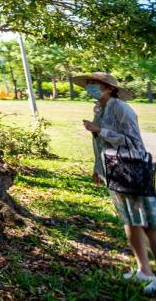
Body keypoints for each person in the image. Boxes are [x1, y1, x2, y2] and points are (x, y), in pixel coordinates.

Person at [78, 71, 156, 292]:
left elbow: (134, 142)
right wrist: (98, 168)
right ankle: (144, 271)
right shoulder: (99, 109)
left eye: (95, 84)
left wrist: (100, 130)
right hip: (113, 170)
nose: (90, 87)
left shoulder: (122, 109)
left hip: (132, 170)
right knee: (130, 220)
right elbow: (99, 144)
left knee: (149, 223)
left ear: (109, 88)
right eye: (89, 84)